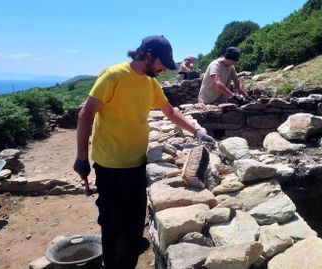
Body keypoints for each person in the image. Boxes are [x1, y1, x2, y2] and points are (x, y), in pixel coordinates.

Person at [73, 35, 215, 269]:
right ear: (147, 55)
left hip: (137, 163)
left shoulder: (150, 83)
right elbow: (85, 114)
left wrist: (197, 131)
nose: (162, 69)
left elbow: (169, 111)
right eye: (160, 63)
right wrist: (81, 158)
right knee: (113, 225)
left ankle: (127, 259)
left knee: (135, 222)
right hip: (110, 166)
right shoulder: (114, 75)